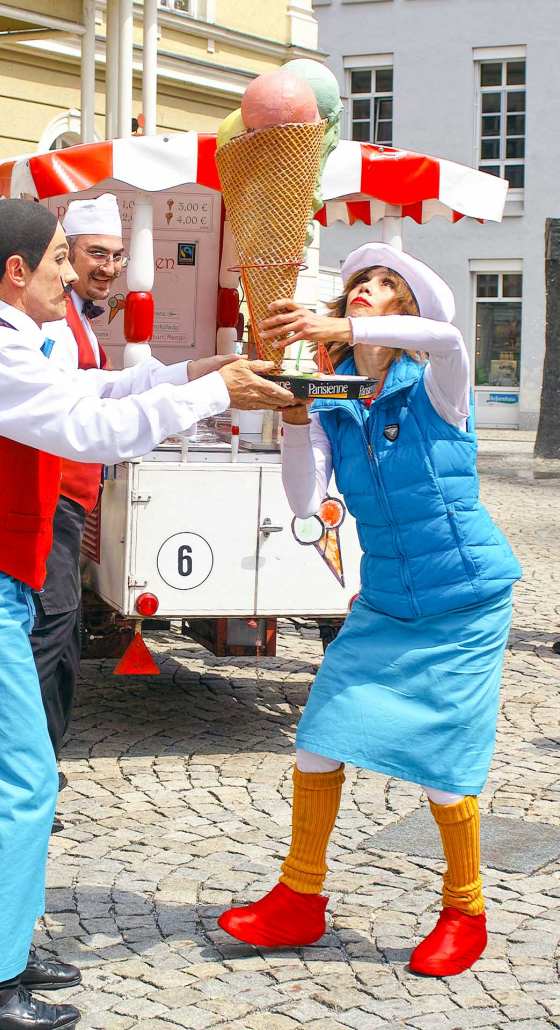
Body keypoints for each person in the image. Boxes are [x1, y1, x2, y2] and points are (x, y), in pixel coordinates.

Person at [0, 198, 296, 1030]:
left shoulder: (8, 340)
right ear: (18, 270)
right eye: (63, 258)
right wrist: (212, 388)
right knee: (9, 780)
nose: (74, 273)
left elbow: (98, 388)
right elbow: (91, 426)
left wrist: (194, 372)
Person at [218, 243, 521, 977]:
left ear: (405, 314)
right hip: (385, 601)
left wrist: (333, 328)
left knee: (441, 769)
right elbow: (304, 503)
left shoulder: (439, 382)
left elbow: (450, 338)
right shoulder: (335, 399)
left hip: (464, 600)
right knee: (317, 737)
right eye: (358, 284)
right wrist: (295, 412)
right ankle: (298, 898)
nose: (366, 292)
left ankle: (465, 911)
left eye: (384, 287)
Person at [29, 195, 124, 825]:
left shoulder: (81, 320)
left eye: (115, 256)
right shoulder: (58, 323)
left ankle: (36, 772)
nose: (105, 267)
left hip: (70, 500)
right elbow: (71, 411)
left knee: (59, 644)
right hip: (53, 498)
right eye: (92, 254)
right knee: (50, 643)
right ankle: (30, 777)